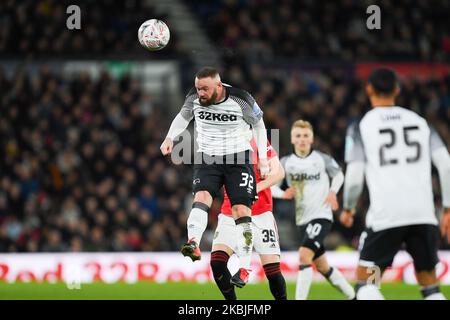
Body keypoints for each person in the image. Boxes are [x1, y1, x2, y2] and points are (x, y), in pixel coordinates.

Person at [340, 68, 450, 300]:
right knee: (430, 285)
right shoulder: (420, 123)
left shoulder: (361, 126)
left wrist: (348, 207)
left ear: (369, 89)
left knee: (367, 283)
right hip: (423, 215)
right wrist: (448, 208)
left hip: (386, 216)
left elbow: (354, 175)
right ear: (397, 90)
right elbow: (446, 164)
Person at [160, 67, 270, 287]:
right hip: (208, 157)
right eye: (199, 88)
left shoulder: (241, 99)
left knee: (241, 211)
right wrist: (169, 138)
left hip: (239, 159)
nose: (200, 93)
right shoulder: (193, 96)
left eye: (205, 89)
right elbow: (182, 118)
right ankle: (193, 242)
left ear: (219, 86)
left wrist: (264, 159)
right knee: (201, 197)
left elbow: (259, 126)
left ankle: (245, 267)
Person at [271, 120, 355, 300]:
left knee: (304, 255)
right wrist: (282, 194)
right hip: (302, 220)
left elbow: (339, 174)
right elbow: (271, 186)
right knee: (324, 267)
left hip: (321, 216)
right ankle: (354, 297)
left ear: (312, 139)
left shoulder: (321, 159)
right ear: (292, 139)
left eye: (305, 136)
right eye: (298, 136)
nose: (302, 139)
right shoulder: (285, 163)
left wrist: (333, 192)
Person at [211, 137, 287, 298]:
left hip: (261, 214)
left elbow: (279, 172)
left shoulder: (257, 140)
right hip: (230, 212)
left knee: (273, 272)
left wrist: (255, 188)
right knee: (217, 262)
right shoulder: (220, 140)